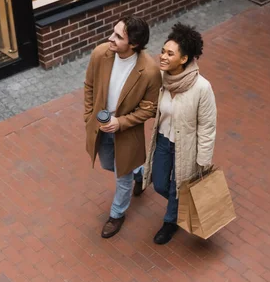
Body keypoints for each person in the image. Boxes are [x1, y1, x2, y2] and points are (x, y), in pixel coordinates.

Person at [84, 16, 161, 238]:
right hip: (100, 126)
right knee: (109, 164)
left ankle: (117, 214)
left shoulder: (149, 72)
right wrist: (89, 116)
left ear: (134, 44)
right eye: (113, 32)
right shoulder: (101, 54)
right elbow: (89, 85)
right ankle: (141, 172)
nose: (111, 38)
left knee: (122, 176)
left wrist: (121, 123)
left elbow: (150, 109)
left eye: (118, 36)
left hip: (126, 133)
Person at [143, 23, 217, 245]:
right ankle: (183, 206)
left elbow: (207, 125)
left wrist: (203, 159)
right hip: (164, 142)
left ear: (184, 59)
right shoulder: (162, 80)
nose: (162, 57)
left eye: (169, 54)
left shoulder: (201, 87)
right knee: (160, 185)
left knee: (179, 184)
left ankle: (170, 221)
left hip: (187, 147)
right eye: (163, 51)